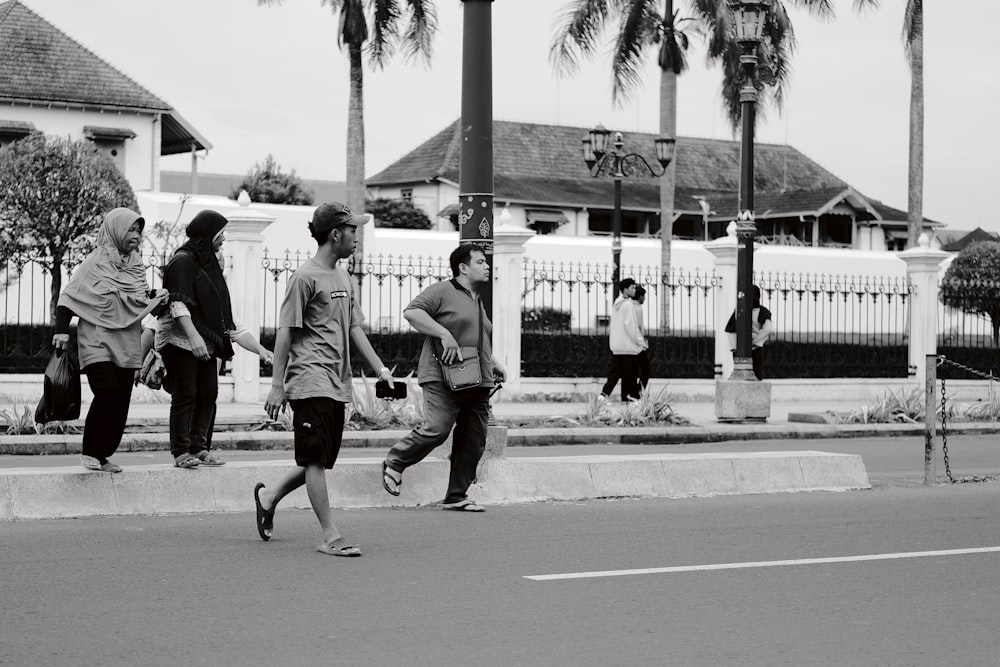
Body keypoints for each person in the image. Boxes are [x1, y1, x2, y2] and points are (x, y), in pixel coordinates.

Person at [254, 202, 396, 556]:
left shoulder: (343, 276)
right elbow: (286, 333)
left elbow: (354, 327)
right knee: (315, 459)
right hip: (309, 378)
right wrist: (277, 384)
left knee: (318, 459)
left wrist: (381, 369)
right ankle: (330, 535)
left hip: (336, 382)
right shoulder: (304, 277)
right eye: (352, 231)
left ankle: (268, 498)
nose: (356, 238)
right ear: (335, 234)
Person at [380, 244, 507, 513]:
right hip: (441, 375)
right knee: (437, 428)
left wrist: (494, 363)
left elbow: (477, 337)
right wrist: (443, 334)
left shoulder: (476, 300)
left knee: (473, 440)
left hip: (477, 379)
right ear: (463, 267)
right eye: (481, 262)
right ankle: (396, 461)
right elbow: (412, 312)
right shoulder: (443, 290)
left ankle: (456, 496)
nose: (487, 267)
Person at [52, 207, 168, 472]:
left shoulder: (136, 264)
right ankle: (90, 451)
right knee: (107, 391)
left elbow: (137, 300)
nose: (136, 235)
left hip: (126, 342)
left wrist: (156, 298)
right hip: (96, 340)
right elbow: (69, 297)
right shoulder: (96, 261)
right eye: (130, 229)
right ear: (115, 230)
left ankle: (103, 454)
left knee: (122, 400)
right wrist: (60, 330)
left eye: (139, 230)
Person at [158, 210, 271, 469]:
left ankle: (200, 448)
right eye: (220, 234)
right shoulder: (182, 262)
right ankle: (181, 451)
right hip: (181, 343)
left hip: (206, 345)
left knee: (208, 395)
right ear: (207, 234)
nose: (223, 240)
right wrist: (194, 338)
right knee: (186, 395)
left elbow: (230, 326)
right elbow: (178, 304)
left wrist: (261, 350)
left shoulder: (209, 269)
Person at [600, 277, 643, 401]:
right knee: (631, 375)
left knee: (615, 374)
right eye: (632, 287)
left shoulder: (616, 304)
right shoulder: (628, 305)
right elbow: (631, 326)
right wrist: (640, 341)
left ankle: (603, 396)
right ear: (625, 289)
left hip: (618, 346)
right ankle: (633, 399)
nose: (635, 290)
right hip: (628, 347)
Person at [725, 285, 774, 380]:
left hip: (747, 349)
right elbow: (767, 329)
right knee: (754, 377)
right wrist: (755, 342)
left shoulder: (740, 310)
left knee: (746, 377)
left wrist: (736, 347)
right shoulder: (741, 311)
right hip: (752, 348)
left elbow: (730, 330)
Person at [633, 285, 650, 392]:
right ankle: (638, 392)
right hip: (639, 344)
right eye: (643, 296)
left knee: (633, 370)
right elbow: (638, 327)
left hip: (631, 344)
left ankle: (634, 392)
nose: (644, 299)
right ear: (640, 297)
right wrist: (643, 341)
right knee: (646, 370)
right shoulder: (638, 309)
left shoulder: (629, 306)